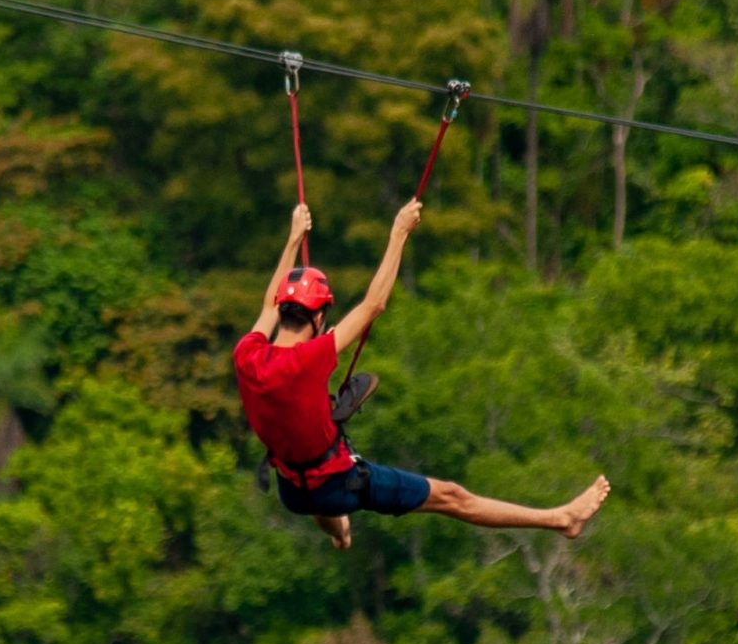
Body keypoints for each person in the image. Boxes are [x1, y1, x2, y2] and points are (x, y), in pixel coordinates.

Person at [232, 200, 612, 552]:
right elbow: (374, 304)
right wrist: (399, 232)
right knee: (451, 497)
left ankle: (340, 532)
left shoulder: (246, 356)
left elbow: (268, 303)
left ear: (283, 311)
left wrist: (293, 238)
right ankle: (562, 519)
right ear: (318, 319)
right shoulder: (310, 358)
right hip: (336, 485)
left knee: (315, 491)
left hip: (291, 491)